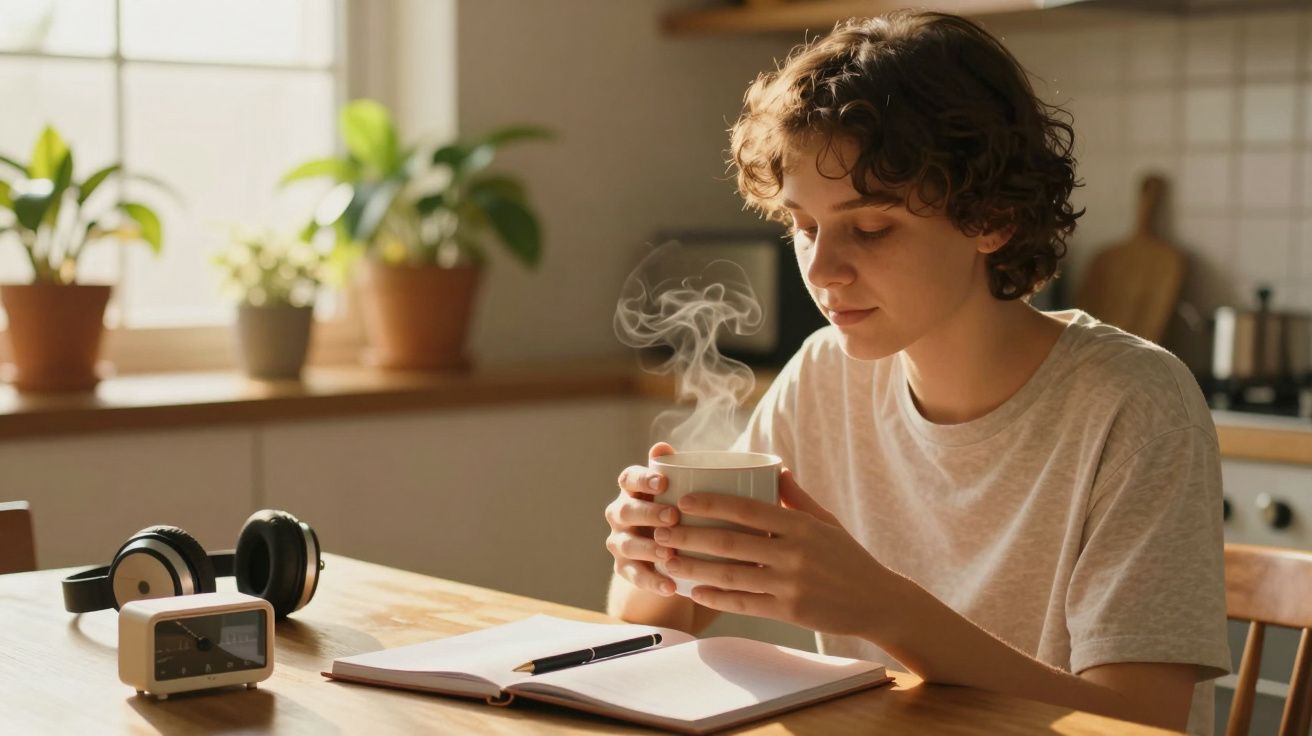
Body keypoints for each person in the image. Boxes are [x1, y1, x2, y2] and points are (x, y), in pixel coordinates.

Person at [602, 10, 1229, 735]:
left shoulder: (1134, 403)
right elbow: (655, 618)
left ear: (991, 219)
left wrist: (881, 607)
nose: (823, 270)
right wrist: (651, 552)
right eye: (804, 226)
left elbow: (1144, 722)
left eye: (870, 228)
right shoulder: (823, 377)